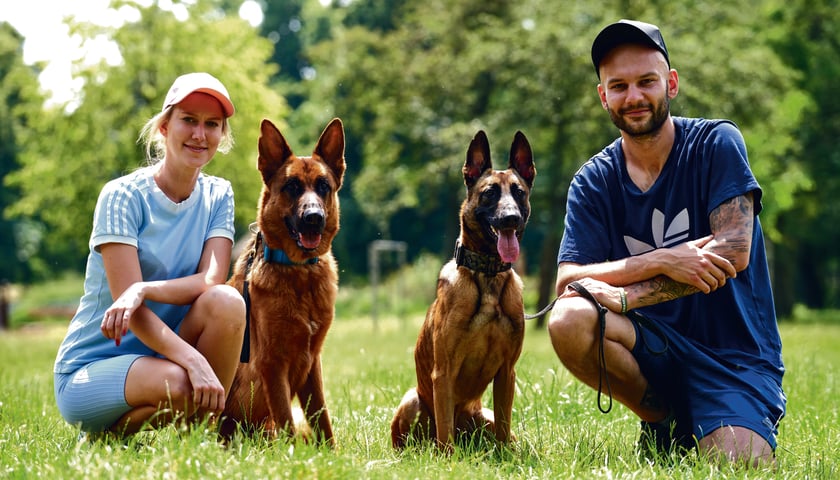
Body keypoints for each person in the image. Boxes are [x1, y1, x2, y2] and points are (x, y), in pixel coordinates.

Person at [547, 20, 785, 467]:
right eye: (618, 86)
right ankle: (660, 418)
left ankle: (734, 412)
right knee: (569, 318)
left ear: (670, 84)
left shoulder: (716, 144)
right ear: (603, 96)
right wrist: (661, 259)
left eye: (646, 81)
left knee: (740, 465)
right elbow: (569, 280)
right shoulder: (593, 181)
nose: (633, 96)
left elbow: (733, 251)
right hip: (652, 344)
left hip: (732, 357)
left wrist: (623, 294)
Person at [54, 72, 246, 439]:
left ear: (222, 135)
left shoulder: (219, 194)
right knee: (184, 384)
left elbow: (210, 280)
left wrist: (144, 289)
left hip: (163, 356)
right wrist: (194, 362)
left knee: (228, 301)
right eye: (188, 120)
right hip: (93, 367)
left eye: (212, 125)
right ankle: (103, 431)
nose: (199, 134)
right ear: (164, 126)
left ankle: (201, 437)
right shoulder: (122, 196)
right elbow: (133, 317)